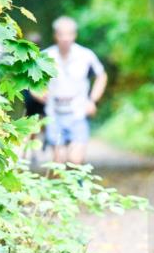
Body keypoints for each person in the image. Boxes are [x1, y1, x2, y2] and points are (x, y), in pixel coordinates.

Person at [35, 16, 107, 165]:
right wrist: (37, 92)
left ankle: (79, 186)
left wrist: (92, 101)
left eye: (69, 34)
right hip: (54, 113)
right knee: (58, 163)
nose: (65, 38)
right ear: (55, 36)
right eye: (62, 34)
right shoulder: (45, 56)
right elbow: (30, 81)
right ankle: (60, 187)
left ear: (75, 35)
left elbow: (101, 76)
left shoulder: (86, 55)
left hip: (78, 114)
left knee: (76, 160)